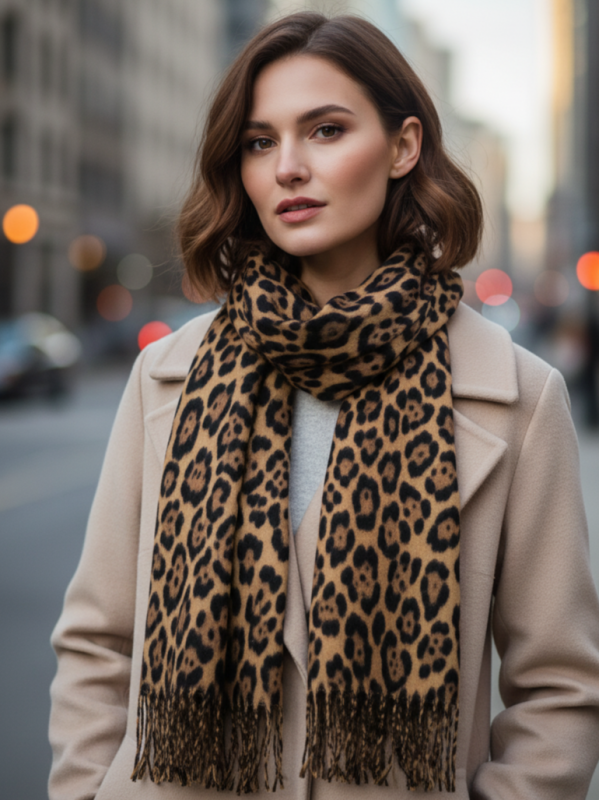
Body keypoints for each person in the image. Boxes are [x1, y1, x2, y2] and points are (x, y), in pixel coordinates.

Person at [48, 12, 599, 800]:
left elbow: (558, 690)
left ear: (403, 146)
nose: (288, 168)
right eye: (259, 142)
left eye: (326, 130)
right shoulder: (164, 377)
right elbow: (98, 645)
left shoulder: (518, 397)